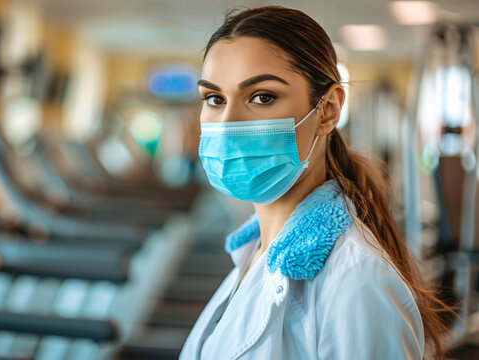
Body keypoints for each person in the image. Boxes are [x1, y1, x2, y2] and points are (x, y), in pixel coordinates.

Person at [180, 6, 451, 360]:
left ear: (328, 110)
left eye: (262, 97)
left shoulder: (358, 280)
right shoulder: (255, 252)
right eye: (214, 99)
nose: (228, 122)